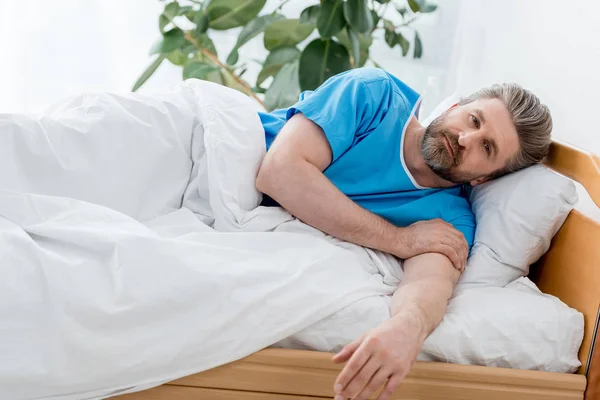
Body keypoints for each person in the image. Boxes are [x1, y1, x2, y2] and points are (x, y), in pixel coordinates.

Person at [255, 67, 552, 400]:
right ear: (454, 109)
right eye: (474, 120)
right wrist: (399, 239)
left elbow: (428, 284)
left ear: (483, 180)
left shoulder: (450, 220)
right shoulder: (373, 94)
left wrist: (408, 327)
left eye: (487, 148)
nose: (465, 139)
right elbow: (278, 171)